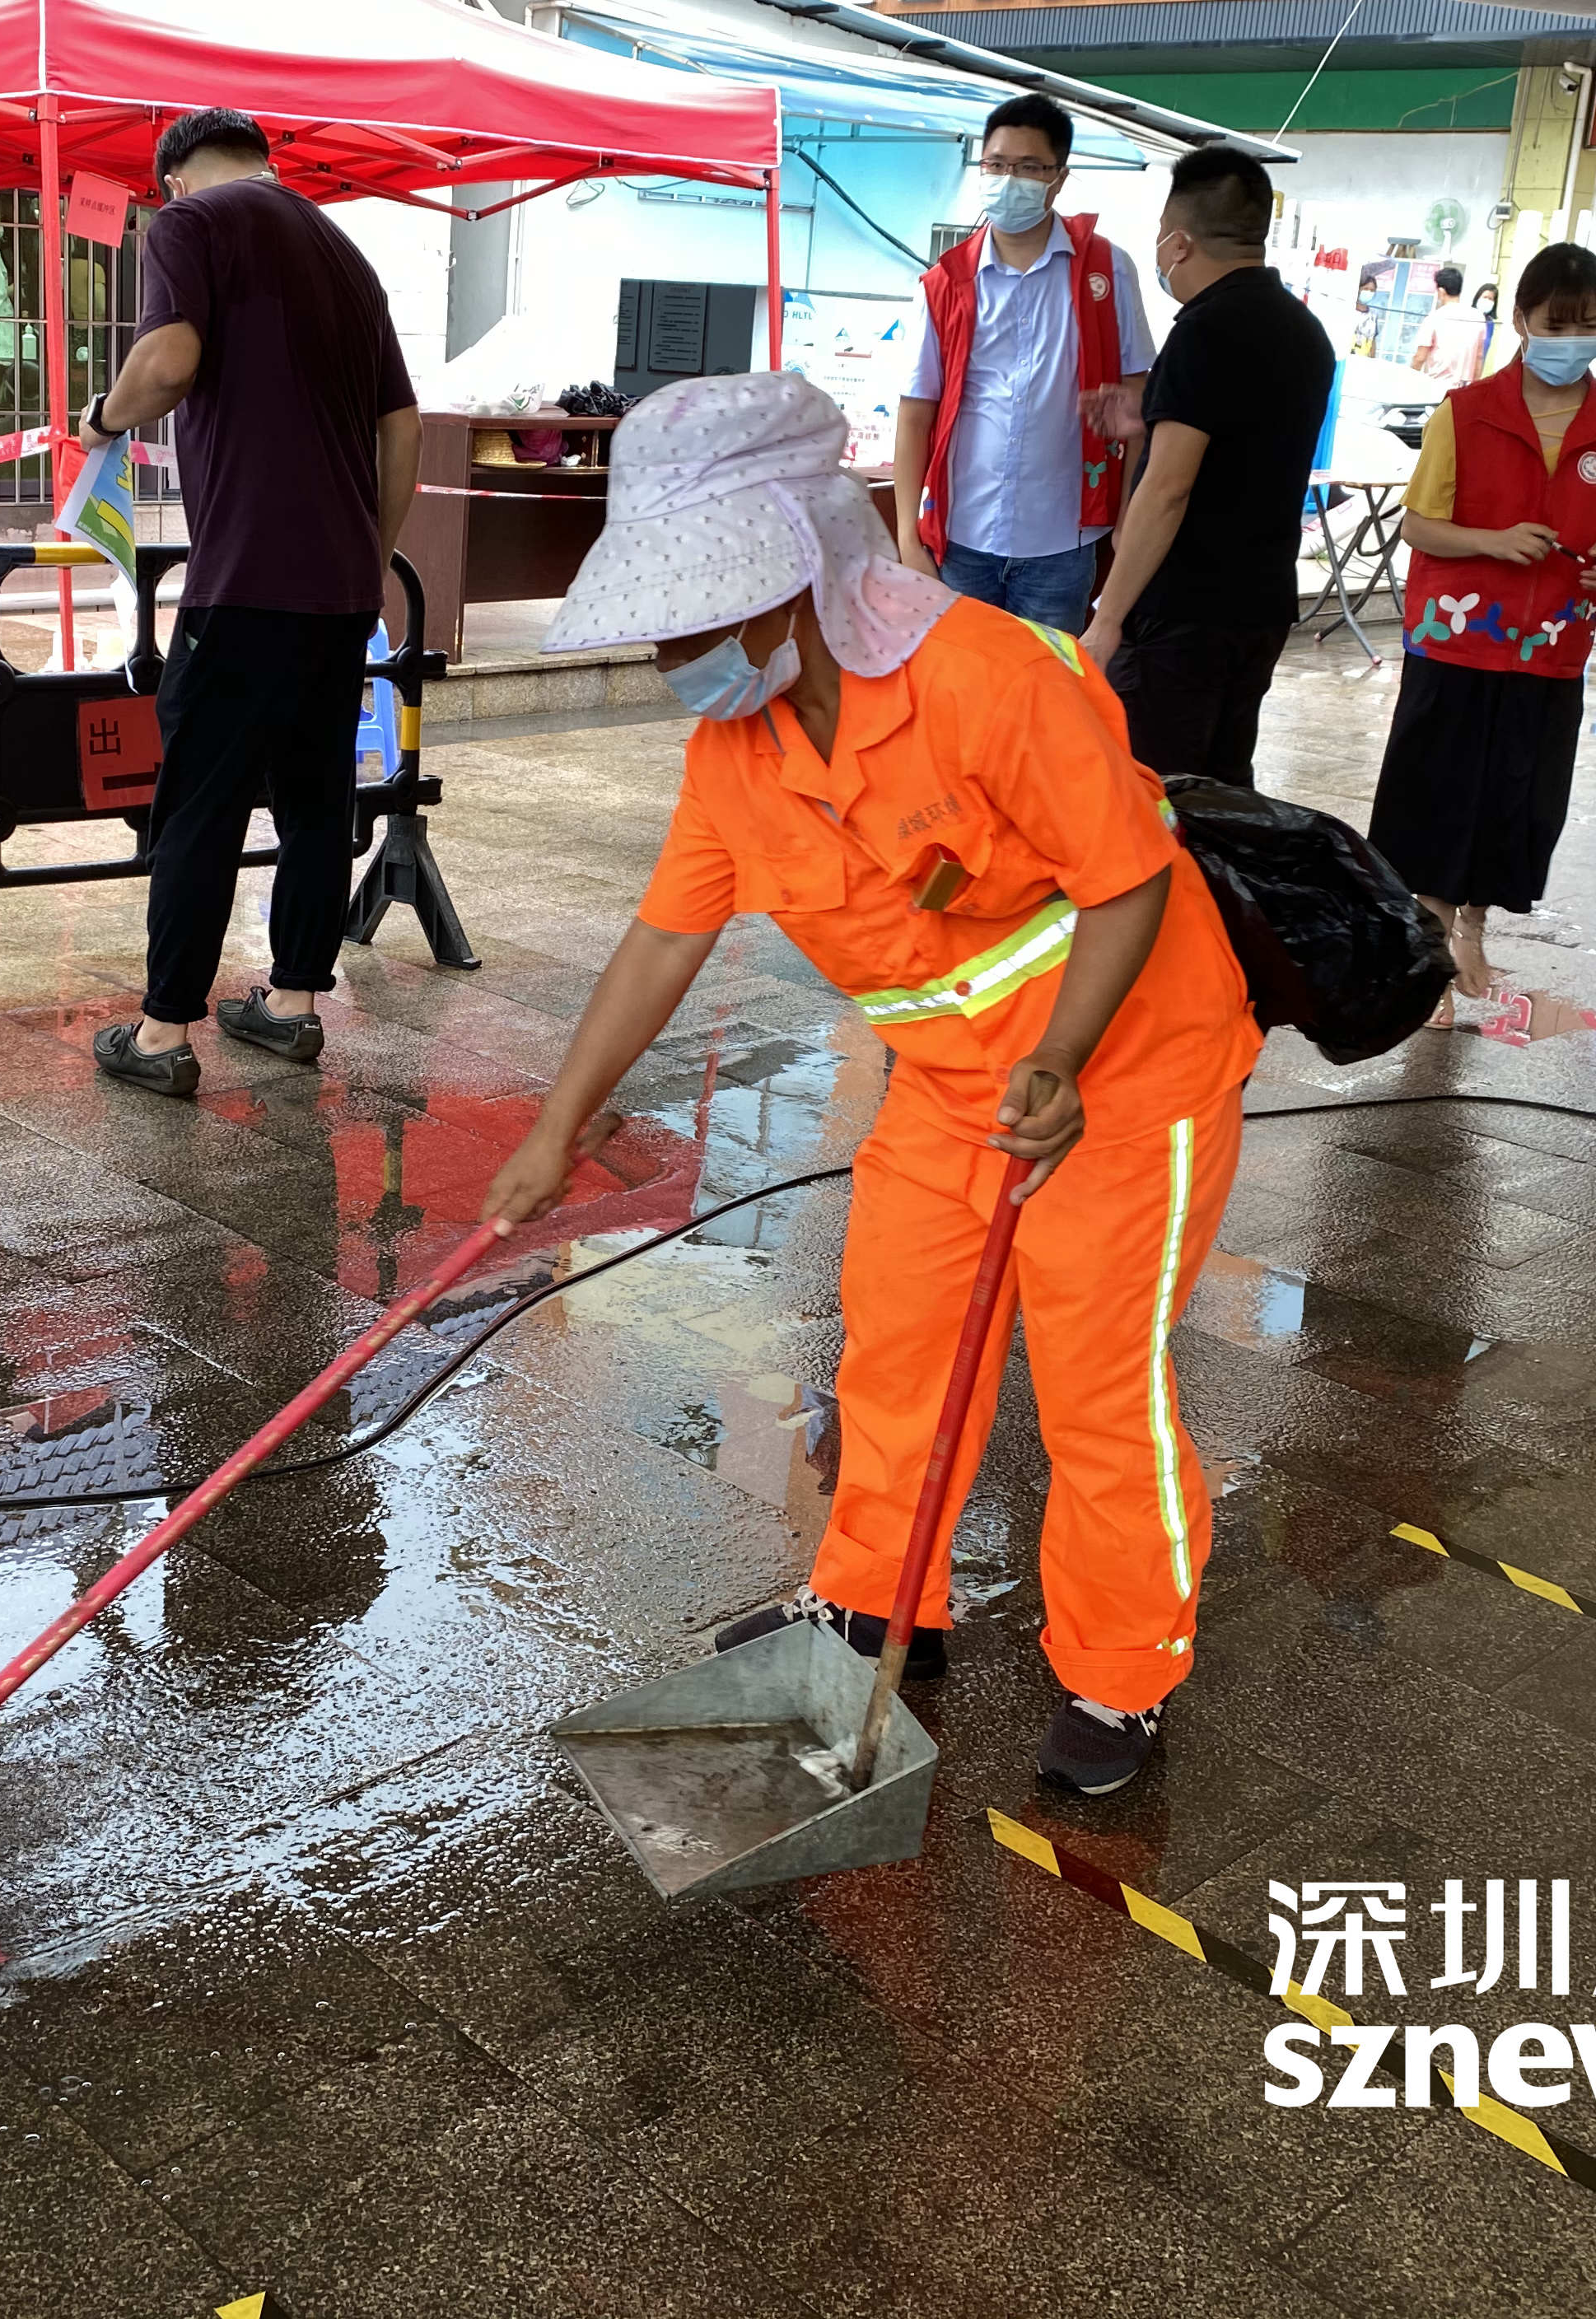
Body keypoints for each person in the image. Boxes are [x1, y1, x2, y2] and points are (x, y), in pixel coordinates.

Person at [511, 371, 1261, 1794]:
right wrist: (557, 1126)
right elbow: (661, 938)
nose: (679, 646)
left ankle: (1119, 1669)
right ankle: (878, 1599)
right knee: (899, 1345)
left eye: (697, 610)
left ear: (797, 574)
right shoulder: (732, 750)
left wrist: (1058, 1058)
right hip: (947, 1076)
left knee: (1099, 1388)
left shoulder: (986, 677)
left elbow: (1123, 883)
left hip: (1126, 1065)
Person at [76, 109, 422, 1097]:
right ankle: (293, 1004)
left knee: (199, 804)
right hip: (335, 593)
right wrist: (370, 550)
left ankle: (161, 1032)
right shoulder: (348, 254)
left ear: (171, 177)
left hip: (242, 584)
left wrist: (101, 416)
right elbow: (404, 430)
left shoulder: (190, 224)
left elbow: (169, 362)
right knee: (318, 799)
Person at [1367, 242, 1596, 1008]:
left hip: (1551, 645)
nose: (1574, 339)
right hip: (1457, 641)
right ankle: (1430, 953)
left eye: (1590, 325)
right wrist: (1493, 541)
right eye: (1559, 324)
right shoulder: (1466, 412)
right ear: (1522, 320)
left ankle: (1473, 935)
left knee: (1515, 800)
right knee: (1434, 797)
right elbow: (1420, 526)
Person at [1076, 143, 1336, 783]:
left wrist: (1107, 620)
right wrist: (1154, 411)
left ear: (1179, 242)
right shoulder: (1305, 332)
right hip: (1260, 607)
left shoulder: (1204, 330)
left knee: (1153, 798)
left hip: (1185, 615)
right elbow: (1246, 437)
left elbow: (1168, 487)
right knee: (1220, 793)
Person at [890, 96, 1155, 632]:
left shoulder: (1107, 271)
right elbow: (916, 413)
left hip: (1063, 546)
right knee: (965, 701)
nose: (1009, 179)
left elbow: (1138, 402)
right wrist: (907, 540)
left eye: (1029, 167)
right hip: (962, 541)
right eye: (996, 165)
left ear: (1058, 179)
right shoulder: (945, 283)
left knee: (1048, 699)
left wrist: (1129, 519)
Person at [1410, 263, 1486, 388]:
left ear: (1441, 291)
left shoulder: (1435, 318)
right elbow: (1479, 358)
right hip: (1464, 389)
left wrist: (1410, 380)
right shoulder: (1478, 317)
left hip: (1436, 387)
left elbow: (1420, 357)